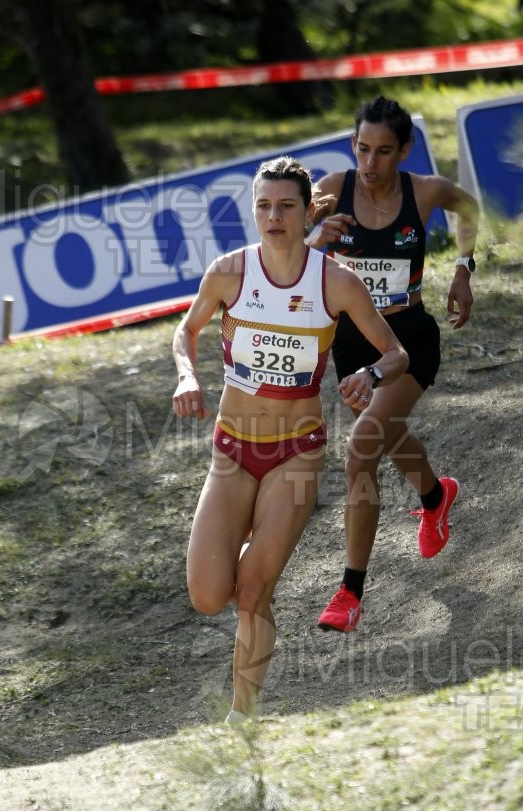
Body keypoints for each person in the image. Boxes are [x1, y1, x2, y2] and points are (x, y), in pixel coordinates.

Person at [172, 155, 408, 722]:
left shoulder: (335, 281)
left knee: (253, 591)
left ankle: (242, 717)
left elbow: (397, 354)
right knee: (208, 595)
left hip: (296, 453)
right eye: (263, 205)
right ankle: (254, 561)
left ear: (306, 214)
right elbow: (186, 330)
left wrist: (366, 376)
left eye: (285, 206)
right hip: (232, 449)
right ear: (254, 211)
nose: (273, 216)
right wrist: (186, 373)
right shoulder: (229, 272)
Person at [308, 95, 479, 634]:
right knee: (386, 429)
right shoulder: (331, 190)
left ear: (404, 150)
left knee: (360, 452)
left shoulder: (424, 191)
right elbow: (288, 253)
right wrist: (315, 238)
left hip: (408, 338)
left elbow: (469, 207)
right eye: (362, 149)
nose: (370, 163)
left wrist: (463, 269)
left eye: (383, 151)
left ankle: (349, 593)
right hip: (352, 341)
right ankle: (435, 495)